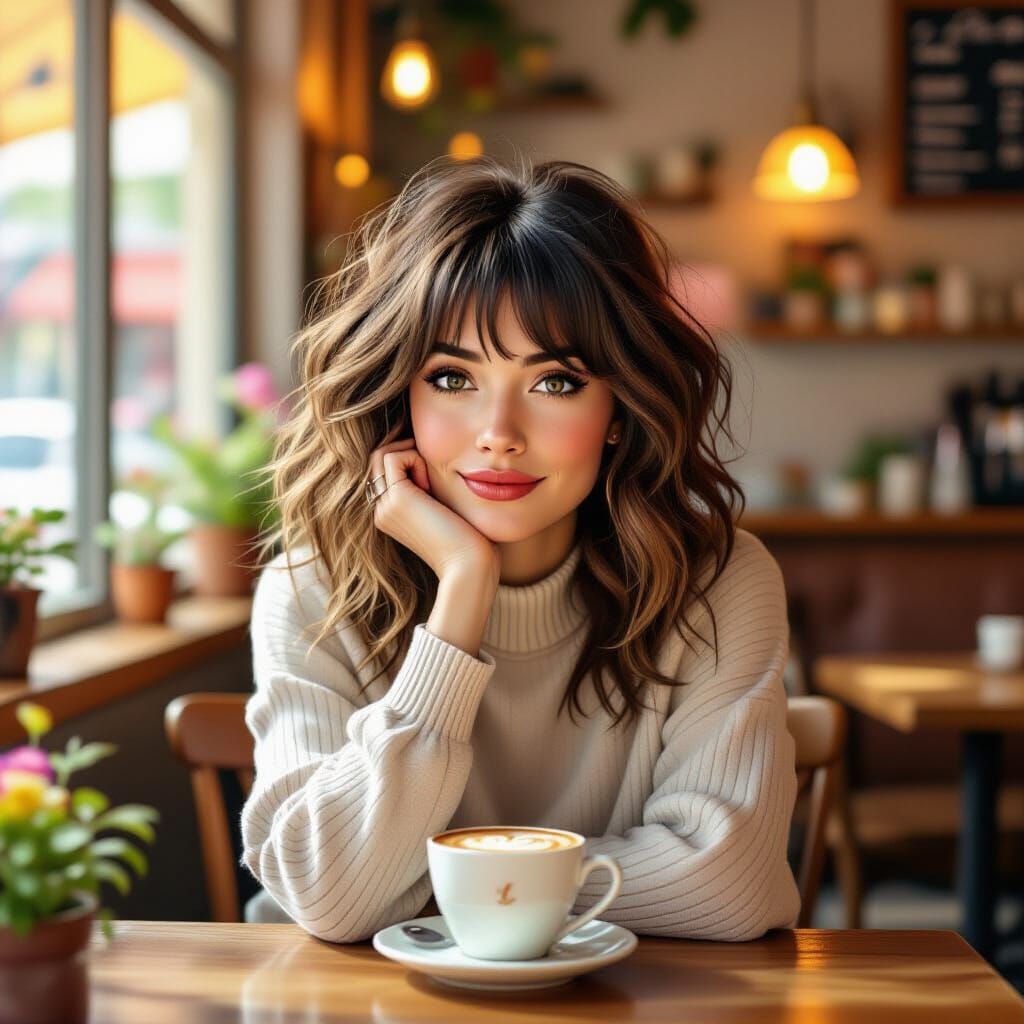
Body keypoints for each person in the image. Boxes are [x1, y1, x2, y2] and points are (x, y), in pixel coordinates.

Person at [239, 153, 801, 943]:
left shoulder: (719, 583)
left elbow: (729, 885)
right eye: (452, 378)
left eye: (556, 381)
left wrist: (438, 892)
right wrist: (463, 588)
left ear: (620, 407)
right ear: (399, 390)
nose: (499, 436)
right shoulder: (311, 589)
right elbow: (333, 897)